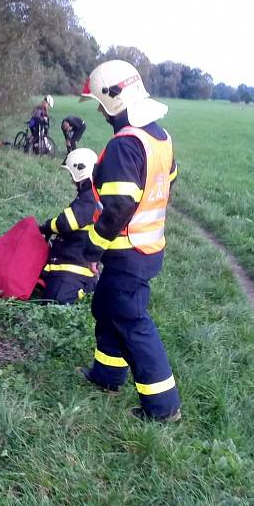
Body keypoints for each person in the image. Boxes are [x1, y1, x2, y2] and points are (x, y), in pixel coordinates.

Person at [76, 59, 181, 423]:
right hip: (147, 248)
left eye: (100, 105)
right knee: (107, 309)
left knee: (131, 321)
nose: (101, 114)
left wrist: (92, 248)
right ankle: (107, 375)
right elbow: (168, 180)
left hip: (128, 251)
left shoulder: (124, 145)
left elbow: (119, 205)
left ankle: (163, 406)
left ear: (112, 101)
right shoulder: (159, 137)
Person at [37, 148, 99, 304]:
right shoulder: (89, 194)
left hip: (75, 264)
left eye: (72, 175)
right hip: (75, 258)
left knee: (53, 302)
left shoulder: (91, 197)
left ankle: (84, 289)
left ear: (81, 172)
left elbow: (66, 222)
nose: (72, 180)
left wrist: (46, 226)